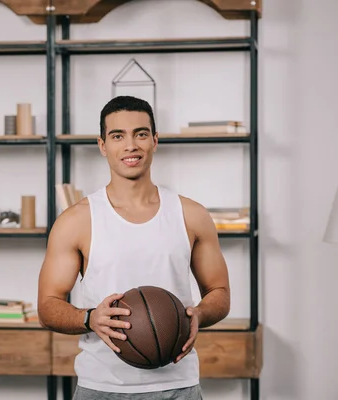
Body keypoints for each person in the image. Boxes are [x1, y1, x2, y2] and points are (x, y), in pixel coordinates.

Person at [37, 96, 231, 399]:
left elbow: (219, 292)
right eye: (118, 136)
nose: (131, 145)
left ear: (155, 141)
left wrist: (198, 315)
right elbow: (48, 306)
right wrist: (89, 318)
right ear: (102, 146)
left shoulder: (192, 215)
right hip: (101, 388)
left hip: (178, 386)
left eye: (140, 134)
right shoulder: (76, 220)